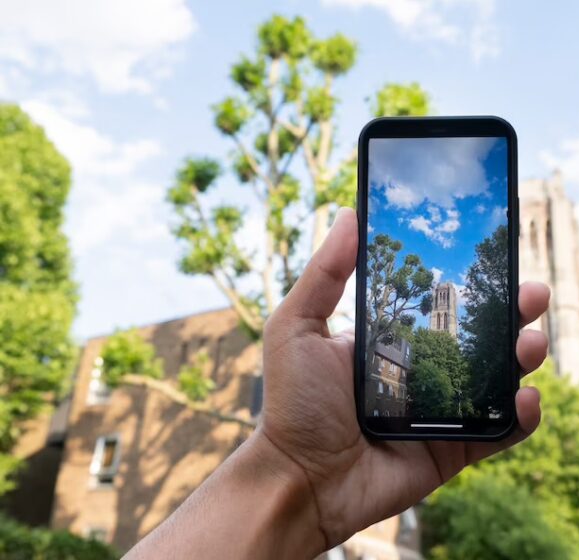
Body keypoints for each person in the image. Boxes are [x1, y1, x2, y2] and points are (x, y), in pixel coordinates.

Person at [125, 207, 550, 559]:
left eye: (444, 303)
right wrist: (290, 463)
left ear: (448, 306)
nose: (440, 307)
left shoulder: (451, 333)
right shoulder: (410, 338)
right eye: (439, 303)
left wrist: (291, 471)